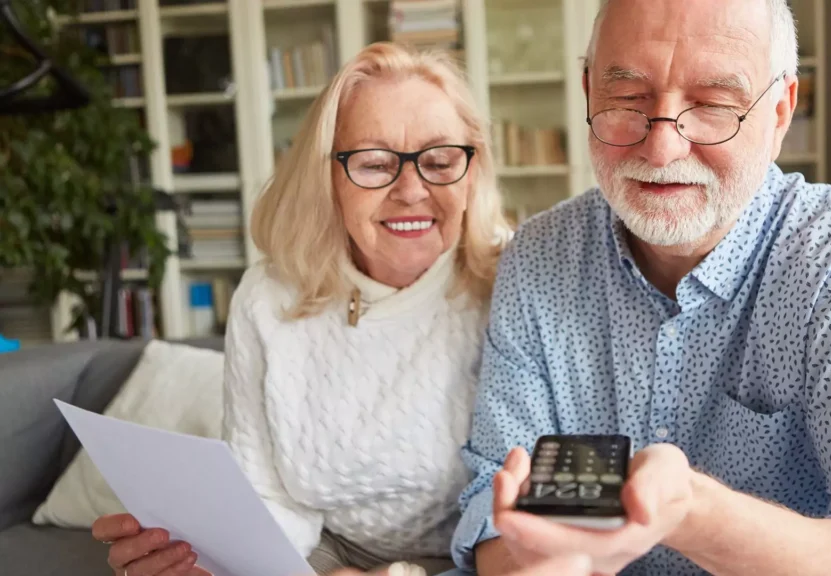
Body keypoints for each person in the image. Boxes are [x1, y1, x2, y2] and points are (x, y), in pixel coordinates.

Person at [450, 0, 831, 575]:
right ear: (589, 93)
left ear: (781, 112)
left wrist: (692, 513)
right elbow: (493, 504)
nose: (661, 148)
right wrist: (538, 558)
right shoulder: (537, 259)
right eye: (629, 99)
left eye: (713, 106)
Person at [89, 41, 513, 576]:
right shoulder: (267, 298)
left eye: (440, 160)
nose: (412, 190)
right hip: (325, 555)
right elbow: (266, 496)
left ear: (472, 170)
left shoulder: (514, 282)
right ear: (327, 177)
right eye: (374, 163)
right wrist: (212, 562)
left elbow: (527, 510)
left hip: (482, 560)